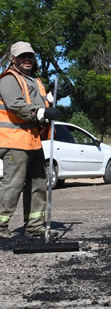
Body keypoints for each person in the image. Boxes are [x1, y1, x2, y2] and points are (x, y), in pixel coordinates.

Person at [0, 41, 59, 239]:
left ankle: (34, 226)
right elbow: (16, 105)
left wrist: (51, 99)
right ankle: (0, 226)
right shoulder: (9, 79)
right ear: (14, 59)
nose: (27, 59)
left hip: (33, 142)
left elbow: (39, 104)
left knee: (39, 185)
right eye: (22, 56)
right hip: (14, 142)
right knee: (13, 185)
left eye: (30, 56)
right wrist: (42, 111)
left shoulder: (34, 80)